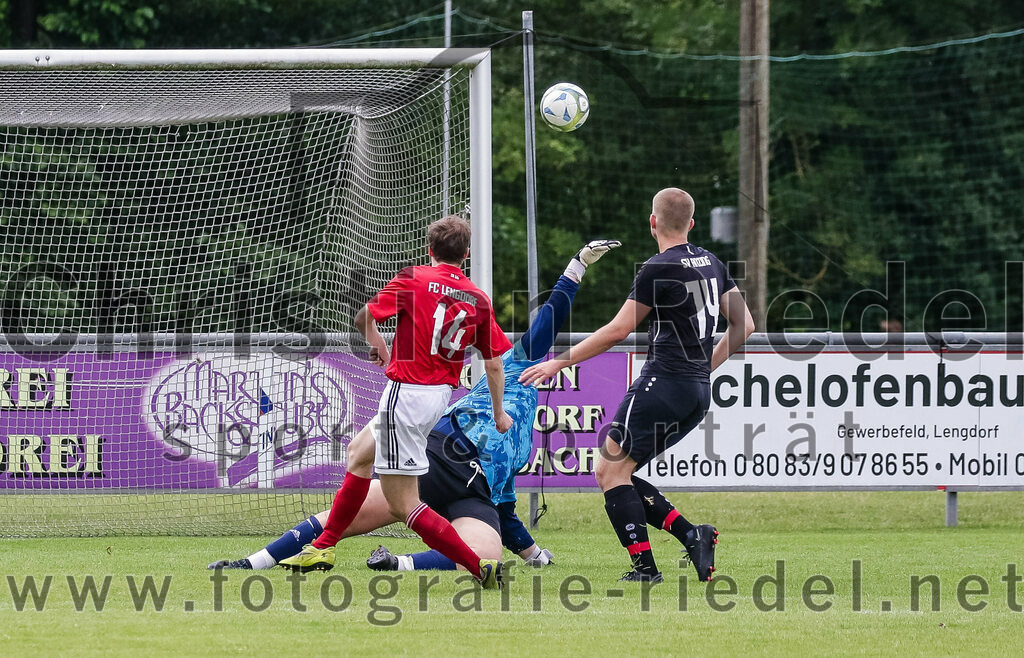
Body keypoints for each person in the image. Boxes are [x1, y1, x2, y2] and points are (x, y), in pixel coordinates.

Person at [208, 240, 621, 573]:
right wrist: (576, 269)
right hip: (444, 455)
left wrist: (533, 555)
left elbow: (505, 503)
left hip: (472, 491)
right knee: (361, 502)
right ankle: (254, 562)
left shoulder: (522, 437)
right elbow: (548, 320)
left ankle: (395, 563)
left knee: (486, 553)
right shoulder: (515, 366)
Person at [520, 188, 754, 584]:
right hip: (697, 393)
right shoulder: (712, 262)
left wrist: (559, 362)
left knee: (609, 473)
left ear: (652, 222)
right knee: (619, 472)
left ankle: (646, 569)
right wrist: (704, 368)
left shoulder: (657, 267)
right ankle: (692, 535)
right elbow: (745, 325)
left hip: (662, 385)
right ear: (692, 224)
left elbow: (618, 330)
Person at [281, 215, 513, 589]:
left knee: (402, 504)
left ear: (429, 249)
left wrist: (378, 345)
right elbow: (494, 363)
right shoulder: (478, 299)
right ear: (466, 254)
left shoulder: (414, 278)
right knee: (359, 453)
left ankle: (478, 567)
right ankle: (322, 547)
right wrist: (499, 413)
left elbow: (364, 317)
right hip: (437, 397)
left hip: (406, 393)